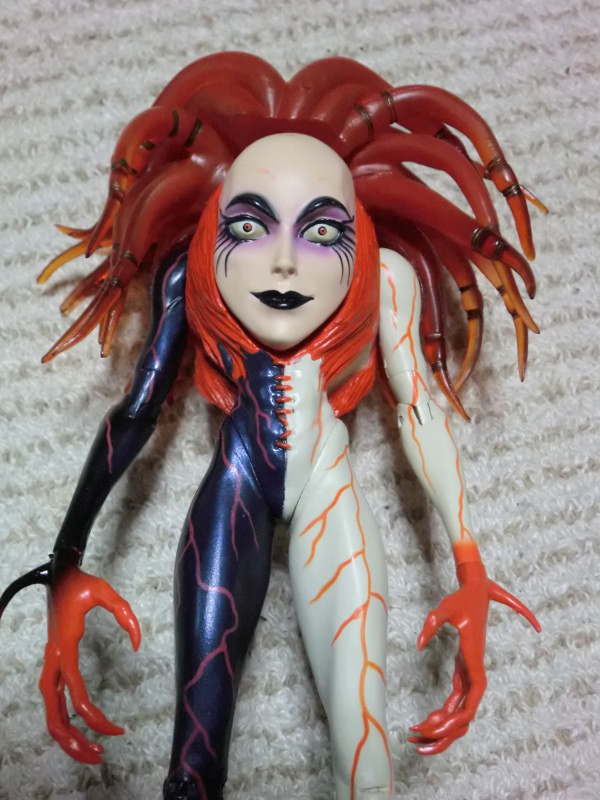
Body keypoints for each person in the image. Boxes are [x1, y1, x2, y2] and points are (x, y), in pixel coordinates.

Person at [0, 55, 542, 800]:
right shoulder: (186, 281)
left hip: (329, 493)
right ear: (212, 227)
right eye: (250, 226)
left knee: (368, 765)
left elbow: (418, 408)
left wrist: (469, 563)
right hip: (234, 495)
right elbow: (136, 409)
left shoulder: (387, 282)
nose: (284, 263)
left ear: (360, 235)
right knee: (192, 767)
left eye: (321, 231)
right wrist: (64, 559)